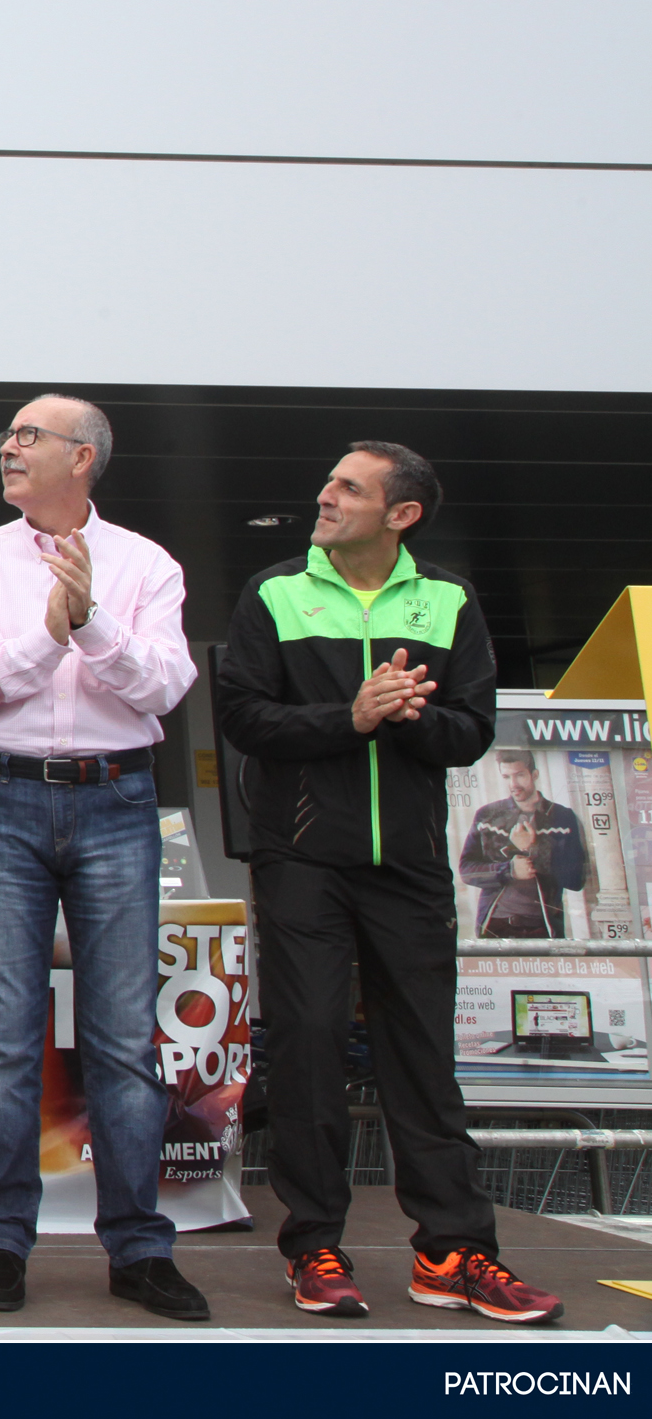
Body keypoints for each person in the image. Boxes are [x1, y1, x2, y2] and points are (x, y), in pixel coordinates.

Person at [217, 443, 560, 1323]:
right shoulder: (274, 591)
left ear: (400, 514)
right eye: (329, 481)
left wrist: (406, 716)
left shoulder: (447, 598)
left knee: (422, 1055)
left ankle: (454, 1251)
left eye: (347, 487)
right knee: (309, 1044)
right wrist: (351, 715)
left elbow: (470, 731)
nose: (323, 495)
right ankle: (313, 1244)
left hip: (408, 865)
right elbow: (243, 717)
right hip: (300, 857)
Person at [0, 395, 205, 1319]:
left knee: (123, 1041)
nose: (7, 446)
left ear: (82, 457)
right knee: (5, 1039)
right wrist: (48, 632)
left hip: (115, 799)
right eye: (7, 434)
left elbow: (163, 686)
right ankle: (2, 1242)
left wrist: (91, 622)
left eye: (28, 435)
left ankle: (137, 1247)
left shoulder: (144, 564)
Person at [458, 747, 591, 940]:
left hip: (544, 927)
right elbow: (467, 871)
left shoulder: (563, 817)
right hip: (495, 925)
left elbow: (576, 880)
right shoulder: (487, 816)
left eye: (520, 775)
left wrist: (533, 850)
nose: (513, 784)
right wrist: (510, 869)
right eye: (506, 777)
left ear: (534, 775)